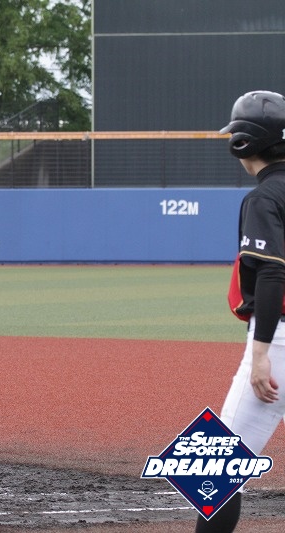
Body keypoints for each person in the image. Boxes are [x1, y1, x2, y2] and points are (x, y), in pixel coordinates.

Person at [201, 90, 285, 532]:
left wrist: (260, 353)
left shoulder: (264, 197)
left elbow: (271, 274)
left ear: (244, 142)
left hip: (280, 344)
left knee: (215, 473)